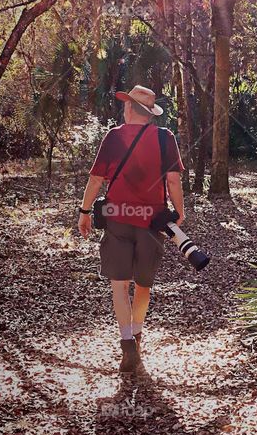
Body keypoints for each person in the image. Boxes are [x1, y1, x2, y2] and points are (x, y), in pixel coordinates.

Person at [78, 85, 185, 374]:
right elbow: (173, 181)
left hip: (117, 219)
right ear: (149, 114)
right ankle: (137, 333)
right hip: (153, 222)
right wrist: (180, 210)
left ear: (128, 109)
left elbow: (97, 179)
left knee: (119, 284)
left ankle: (127, 344)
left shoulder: (114, 136)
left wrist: (85, 211)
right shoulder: (165, 138)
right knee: (143, 285)